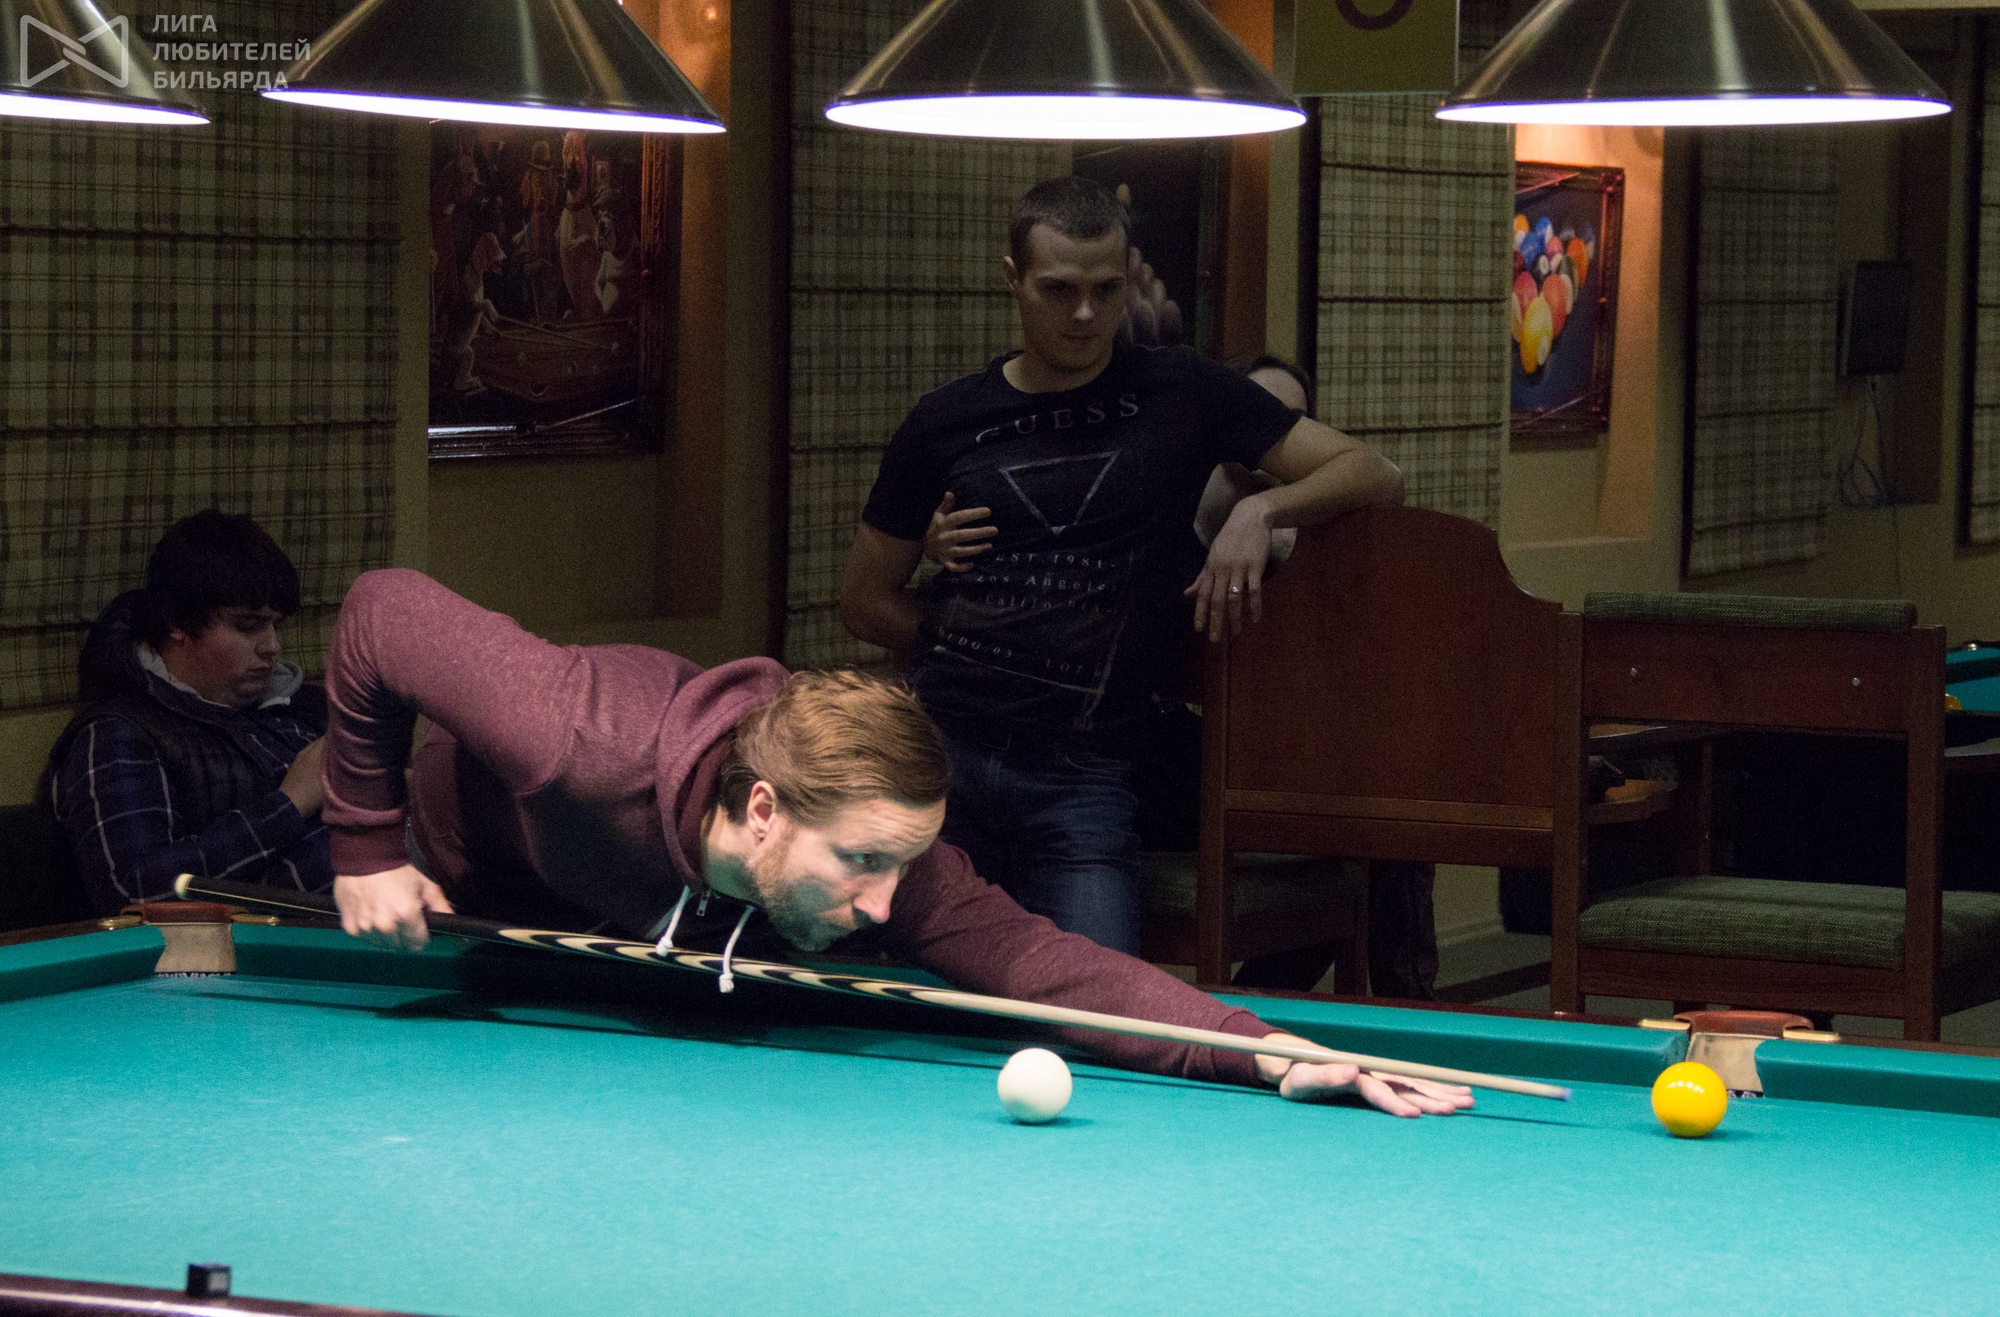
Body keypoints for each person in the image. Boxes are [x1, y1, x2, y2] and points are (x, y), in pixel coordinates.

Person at [324, 568, 1467, 1118]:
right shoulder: (572, 735)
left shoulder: (889, 865)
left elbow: (1043, 966)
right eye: (861, 863)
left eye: (899, 865)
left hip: (638, 924)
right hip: (475, 884)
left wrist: (1264, 1051)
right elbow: (381, 610)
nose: (883, 904)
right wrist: (367, 846)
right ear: (762, 808)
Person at [837, 176, 1404, 957]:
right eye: (1059, 289)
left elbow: (1374, 472)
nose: (1084, 313)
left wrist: (1263, 509)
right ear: (1013, 279)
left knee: (1101, 1007)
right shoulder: (945, 420)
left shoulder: (1182, 390)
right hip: (942, 755)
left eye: (1105, 290)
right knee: (915, 996)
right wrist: (976, 635)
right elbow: (863, 602)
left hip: (1082, 773)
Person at [42, 510, 330, 914]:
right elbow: (133, 892)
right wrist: (291, 803)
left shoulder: (299, 707)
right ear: (177, 622)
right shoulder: (118, 732)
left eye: (276, 626)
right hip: (260, 943)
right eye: (248, 626)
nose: (272, 646)